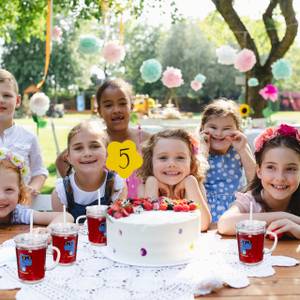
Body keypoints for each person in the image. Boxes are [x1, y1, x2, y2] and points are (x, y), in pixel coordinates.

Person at [56, 78, 150, 198]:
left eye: (122, 103)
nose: (116, 110)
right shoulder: (95, 141)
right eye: (108, 105)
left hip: (142, 210)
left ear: (131, 106)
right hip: (104, 212)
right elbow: (62, 159)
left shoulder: (146, 140)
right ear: (100, 111)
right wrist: (73, 190)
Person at [218, 124, 300, 239]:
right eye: (271, 167)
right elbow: (224, 224)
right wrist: (283, 216)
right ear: (259, 171)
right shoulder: (250, 201)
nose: (280, 178)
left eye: (290, 169)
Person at [51, 120, 127, 221]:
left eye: (95, 146)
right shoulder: (61, 192)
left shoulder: (117, 185)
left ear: (107, 153)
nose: (87, 153)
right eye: (78, 148)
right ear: (68, 157)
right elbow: (61, 230)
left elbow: (118, 227)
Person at [137, 128, 211, 231]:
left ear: (191, 162)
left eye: (180, 158)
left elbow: (202, 225)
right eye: (163, 158)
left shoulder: (195, 186)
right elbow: (150, 225)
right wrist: (151, 182)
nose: (172, 164)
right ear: (150, 162)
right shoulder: (144, 187)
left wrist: (190, 182)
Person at [198, 99, 256, 223]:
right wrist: (203, 151)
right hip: (205, 205)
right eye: (213, 127)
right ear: (203, 127)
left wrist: (242, 150)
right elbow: (195, 179)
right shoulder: (198, 150)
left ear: (237, 130)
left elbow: (255, 180)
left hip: (235, 206)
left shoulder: (239, 149)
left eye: (226, 128)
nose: (219, 133)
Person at [0, 69, 48, 200]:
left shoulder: (29, 137)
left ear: (17, 100)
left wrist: (32, 188)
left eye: (7, 95)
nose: (0, 99)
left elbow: (39, 172)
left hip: (21, 208)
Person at [0, 147, 73, 225]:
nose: (1, 197)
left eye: (9, 189)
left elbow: (66, 217)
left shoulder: (20, 214)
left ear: (20, 192)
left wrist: (49, 230)